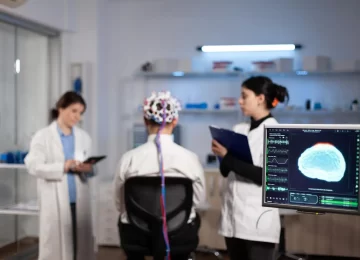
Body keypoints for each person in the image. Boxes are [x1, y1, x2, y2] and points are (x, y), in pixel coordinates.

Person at [113, 91, 206, 260]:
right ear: (175, 121)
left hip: (137, 236)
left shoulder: (128, 159)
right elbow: (198, 201)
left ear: (145, 121)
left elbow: (120, 204)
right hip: (178, 236)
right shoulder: (190, 159)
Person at [211, 76, 289, 260]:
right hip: (232, 219)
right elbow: (225, 170)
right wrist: (220, 154)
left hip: (257, 222)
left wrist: (227, 157)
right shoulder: (239, 129)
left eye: (244, 96)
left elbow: (266, 176)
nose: (240, 101)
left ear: (260, 98)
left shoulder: (276, 131)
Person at [24, 91, 96, 260]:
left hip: (79, 201)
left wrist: (88, 168)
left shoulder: (84, 137)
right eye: (74, 111)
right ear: (60, 109)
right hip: (54, 202)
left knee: (80, 247)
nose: (77, 117)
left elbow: (91, 168)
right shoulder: (43, 137)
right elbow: (33, 165)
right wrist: (63, 167)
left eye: (80, 113)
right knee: (56, 249)